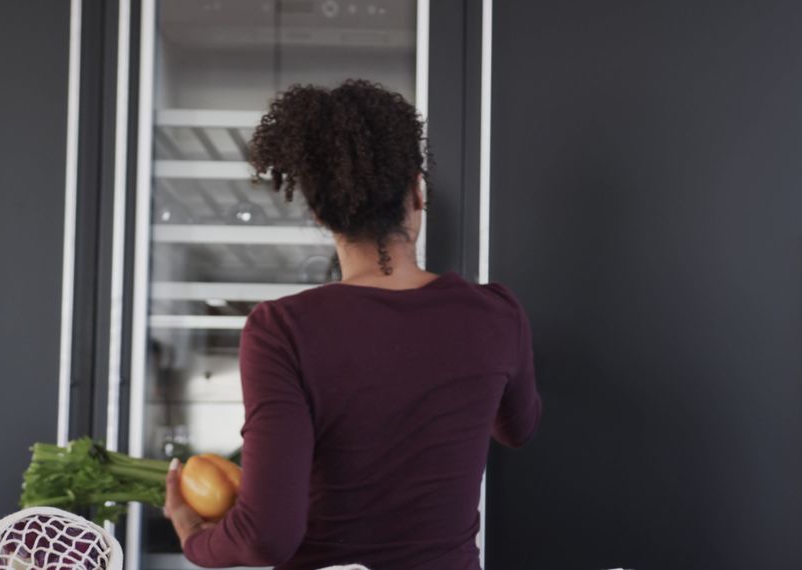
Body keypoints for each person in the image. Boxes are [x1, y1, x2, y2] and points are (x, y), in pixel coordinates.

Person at [162, 79, 542, 569]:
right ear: (417, 192)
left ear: (321, 214)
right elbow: (519, 428)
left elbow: (265, 537)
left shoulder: (282, 330)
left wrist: (193, 533)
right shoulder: (497, 314)